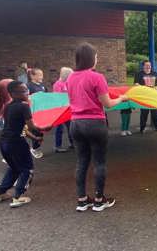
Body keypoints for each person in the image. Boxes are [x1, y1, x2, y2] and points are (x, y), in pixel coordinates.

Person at [68, 43, 128, 212]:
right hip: (94, 123)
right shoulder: (97, 77)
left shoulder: (71, 77)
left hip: (75, 123)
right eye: (96, 56)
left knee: (81, 162)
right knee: (99, 162)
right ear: (91, 58)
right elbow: (107, 103)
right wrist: (122, 99)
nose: (97, 59)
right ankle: (99, 200)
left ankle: (82, 200)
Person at [0, 81, 50, 208]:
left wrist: (34, 137)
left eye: (27, 90)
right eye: (23, 91)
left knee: (13, 168)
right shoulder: (23, 106)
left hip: (4, 142)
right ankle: (17, 197)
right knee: (27, 169)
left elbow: (20, 128)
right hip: (16, 143)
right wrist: (44, 128)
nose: (27, 93)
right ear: (13, 94)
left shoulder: (7, 106)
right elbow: (31, 126)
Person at [134, 60, 157, 134]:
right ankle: (142, 128)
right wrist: (144, 88)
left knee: (155, 113)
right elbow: (136, 84)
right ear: (143, 66)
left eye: (149, 65)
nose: (148, 67)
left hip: (153, 96)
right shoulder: (139, 74)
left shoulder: (154, 73)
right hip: (144, 97)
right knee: (144, 113)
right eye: (147, 65)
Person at [26, 68, 47, 159]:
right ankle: (34, 148)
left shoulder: (42, 86)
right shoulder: (28, 86)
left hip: (42, 111)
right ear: (32, 76)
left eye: (42, 74)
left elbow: (46, 96)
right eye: (39, 75)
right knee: (35, 130)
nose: (41, 77)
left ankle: (36, 147)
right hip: (33, 112)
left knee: (41, 131)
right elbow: (26, 98)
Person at [53, 67, 74, 152]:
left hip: (68, 109)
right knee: (59, 129)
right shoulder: (58, 84)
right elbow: (57, 97)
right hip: (60, 110)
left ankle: (72, 143)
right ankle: (58, 146)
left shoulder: (68, 83)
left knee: (71, 128)